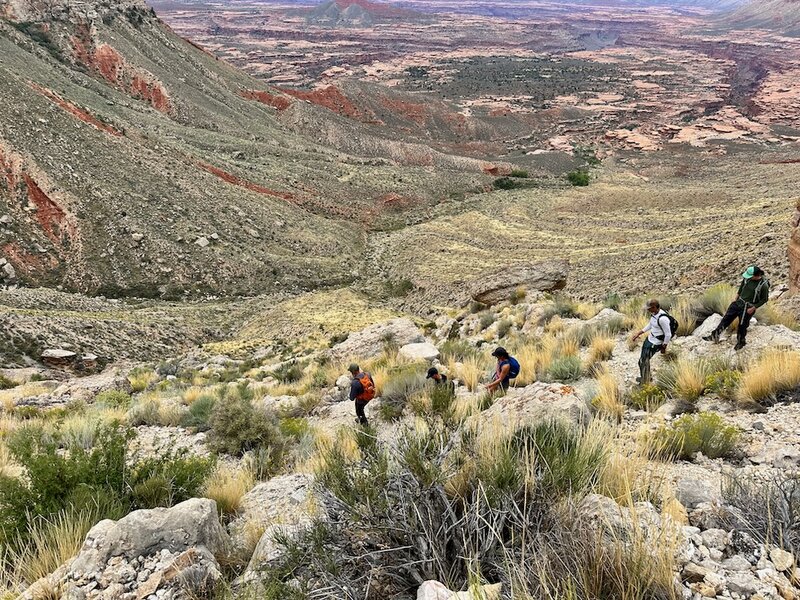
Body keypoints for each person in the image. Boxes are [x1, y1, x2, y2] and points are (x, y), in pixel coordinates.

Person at [703, 266, 769, 350]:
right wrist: (735, 299)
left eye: (750, 276)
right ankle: (715, 335)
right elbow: (741, 288)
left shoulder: (763, 285)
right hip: (738, 303)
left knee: (742, 326)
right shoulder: (747, 279)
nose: (747, 277)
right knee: (726, 319)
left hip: (748, 308)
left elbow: (764, 299)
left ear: (756, 275)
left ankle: (741, 342)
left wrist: (754, 308)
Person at [632, 299, 672, 385]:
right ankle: (646, 377)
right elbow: (650, 325)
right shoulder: (654, 314)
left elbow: (668, 334)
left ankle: (645, 381)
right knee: (643, 360)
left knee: (643, 361)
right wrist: (639, 333)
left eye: (649, 308)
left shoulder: (663, 319)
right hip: (650, 339)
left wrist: (664, 347)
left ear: (654, 307)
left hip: (655, 343)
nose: (647, 310)